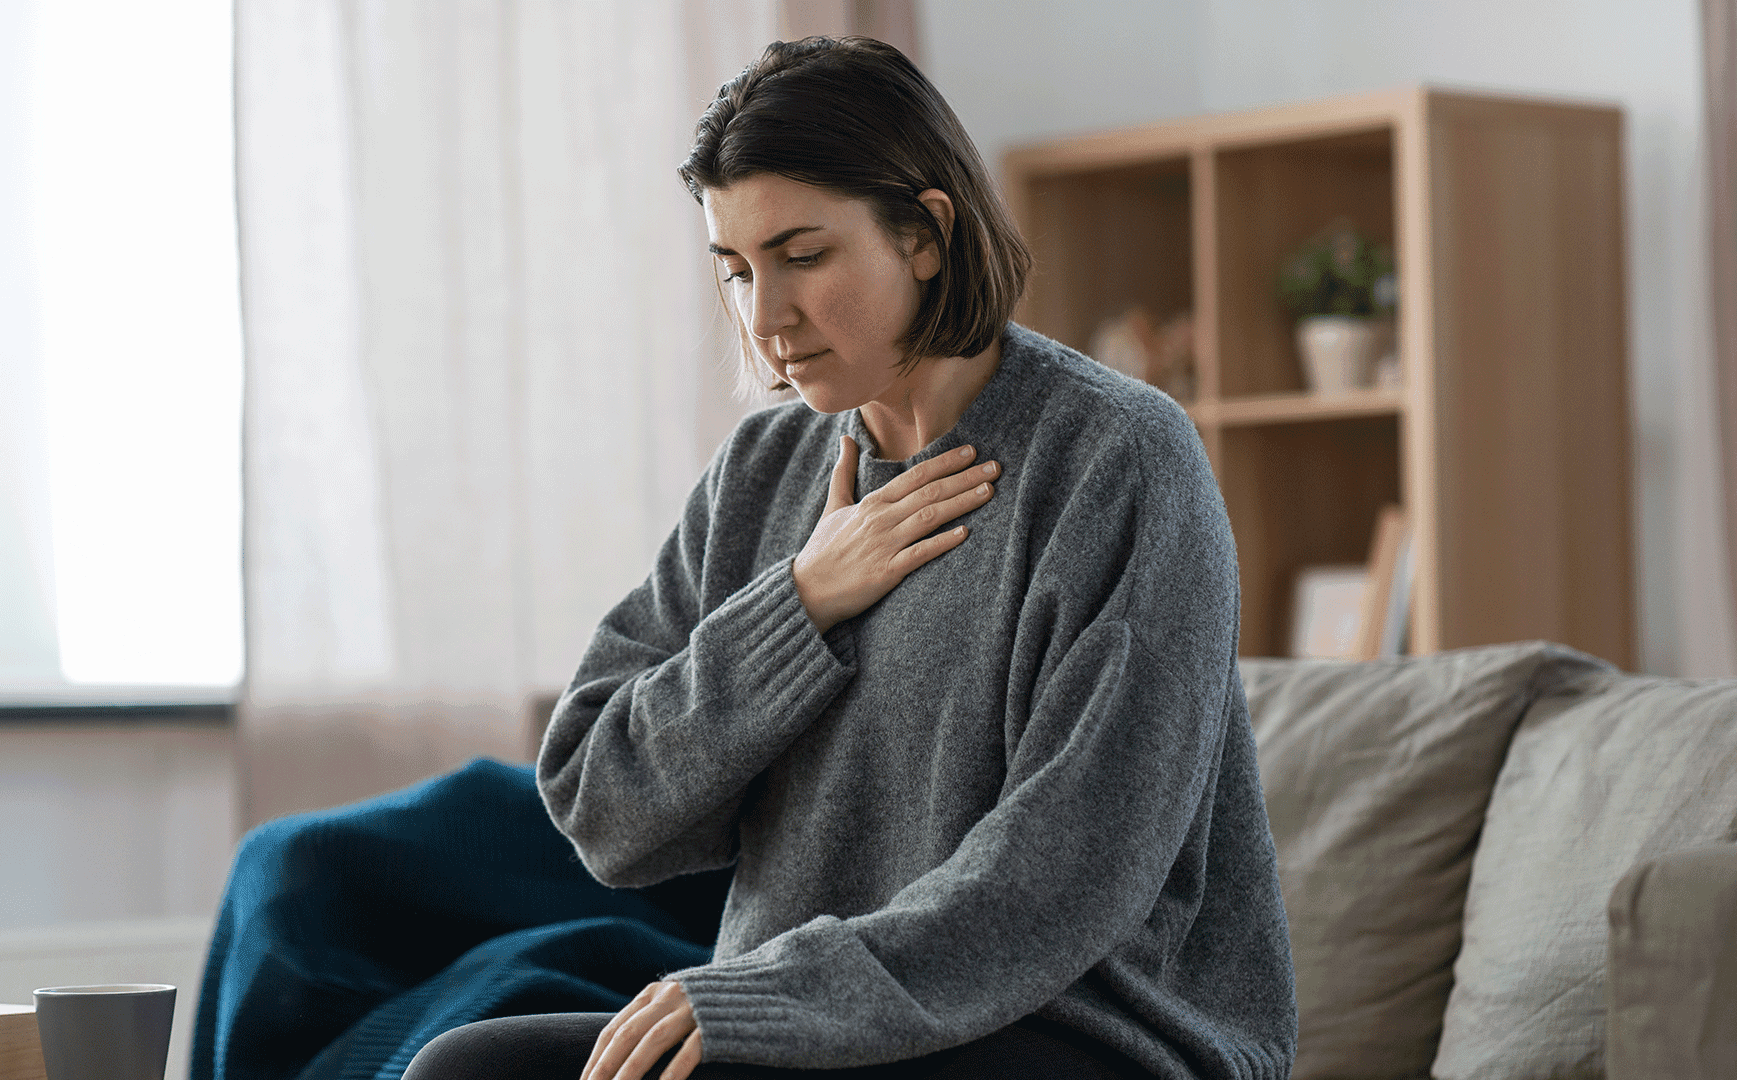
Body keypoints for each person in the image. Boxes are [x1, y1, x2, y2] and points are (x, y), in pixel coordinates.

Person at [404, 36, 1295, 1080]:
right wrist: (800, 602)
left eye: (803, 255)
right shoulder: (761, 472)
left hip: (1080, 1032)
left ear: (924, 233)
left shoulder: (1120, 460)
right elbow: (603, 807)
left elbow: (1069, 875)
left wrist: (773, 997)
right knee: (464, 1070)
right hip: (813, 1031)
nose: (765, 318)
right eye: (735, 270)